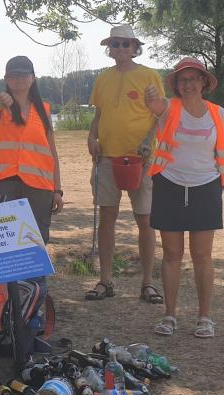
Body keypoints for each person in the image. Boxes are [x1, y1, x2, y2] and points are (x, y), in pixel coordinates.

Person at [143, 57, 224, 338]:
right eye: (182, 80)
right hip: (169, 184)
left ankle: (204, 318)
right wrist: (150, 98)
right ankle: (169, 316)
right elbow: (153, 105)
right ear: (176, 84)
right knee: (172, 255)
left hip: (206, 187)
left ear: (204, 82)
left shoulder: (217, 114)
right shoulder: (168, 108)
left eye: (194, 79)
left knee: (202, 256)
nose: (188, 84)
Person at [85, 24, 165, 304]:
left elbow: (158, 116)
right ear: (110, 48)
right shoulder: (103, 79)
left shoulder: (149, 75)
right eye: (115, 44)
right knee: (107, 218)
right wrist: (91, 137)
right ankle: (105, 281)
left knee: (145, 219)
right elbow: (98, 115)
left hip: (140, 159)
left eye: (125, 44)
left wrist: (148, 142)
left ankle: (147, 283)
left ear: (134, 47)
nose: (120, 49)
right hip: (106, 157)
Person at [0, 55, 64, 244]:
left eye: (24, 74)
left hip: (39, 188)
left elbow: (52, 154)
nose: (19, 78)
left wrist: (57, 190)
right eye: (13, 75)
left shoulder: (43, 110)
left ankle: (35, 276)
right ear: (6, 79)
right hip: (3, 184)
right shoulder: (0, 107)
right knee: (5, 245)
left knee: (35, 244)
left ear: (33, 77)